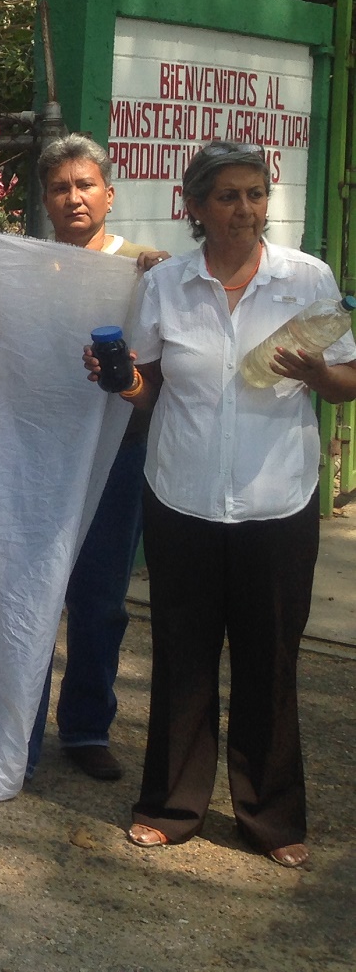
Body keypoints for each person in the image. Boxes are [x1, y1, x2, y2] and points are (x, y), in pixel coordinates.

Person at [102, 140, 356, 869]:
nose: (243, 209)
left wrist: (317, 371)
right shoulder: (168, 286)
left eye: (254, 194)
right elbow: (148, 388)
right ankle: (172, 805)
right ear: (195, 206)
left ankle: (271, 816)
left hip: (278, 502)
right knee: (182, 656)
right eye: (227, 196)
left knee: (269, 661)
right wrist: (119, 381)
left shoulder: (306, 279)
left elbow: (348, 381)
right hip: (181, 498)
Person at [0, 135, 168, 782]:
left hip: (116, 460)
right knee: (24, 592)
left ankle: (85, 729)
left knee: (100, 599)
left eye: (85, 185)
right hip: (34, 459)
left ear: (109, 193)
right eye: (60, 187)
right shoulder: (23, 264)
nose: (73, 197)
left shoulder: (146, 268)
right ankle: (16, 730)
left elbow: (155, 385)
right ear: (45, 199)